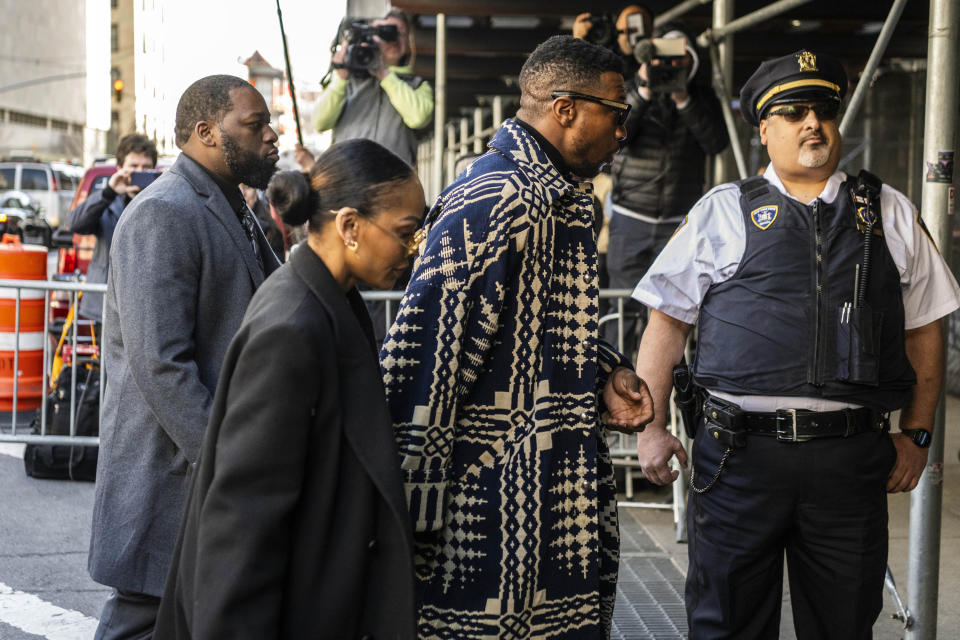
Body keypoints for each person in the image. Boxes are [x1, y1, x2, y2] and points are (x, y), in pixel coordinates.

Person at [631, 50, 960, 639]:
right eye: (793, 112)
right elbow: (667, 324)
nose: (813, 123)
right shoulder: (722, 211)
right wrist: (651, 427)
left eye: (824, 110)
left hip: (848, 465)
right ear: (764, 130)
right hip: (737, 462)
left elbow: (924, 329)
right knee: (725, 623)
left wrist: (918, 433)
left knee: (843, 625)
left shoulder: (889, 211)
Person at [380, 35, 654, 638]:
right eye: (616, 112)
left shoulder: (559, 197)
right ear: (566, 109)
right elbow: (424, 357)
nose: (622, 131)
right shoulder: (499, 199)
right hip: (490, 516)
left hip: (554, 504)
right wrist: (408, 512)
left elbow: (533, 325)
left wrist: (604, 371)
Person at [153, 139, 424, 640]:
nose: (413, 251)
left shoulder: (330, 301)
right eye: (406, 233)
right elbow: (242, 518)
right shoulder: (293, 326)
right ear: (349, 226)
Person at [88, 75, 282, 640]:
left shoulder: (232, 205)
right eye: (254, 124)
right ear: (205, 133)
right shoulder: (163, 212)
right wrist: (228, 465)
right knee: (143, 617)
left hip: (207, 466)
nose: (271, 135)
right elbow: (162, 365)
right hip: (172, 471)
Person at [577, 6, 728, 359]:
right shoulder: (631, 87)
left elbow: (716, 142)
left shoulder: (700, 97)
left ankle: (672, 390)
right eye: (664, 60)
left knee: (674, 312)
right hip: (632, 218)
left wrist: (683, 97)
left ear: (692, 61)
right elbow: (617, 135)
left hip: (680, 222)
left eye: (679, 60)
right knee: (624, 310)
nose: (670, 68)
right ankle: (615, 378)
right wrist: (645, 86)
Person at [312, 8, 432, 167]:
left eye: (399, 33)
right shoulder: (346, 80)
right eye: (385, 32)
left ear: (408, 42)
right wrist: (340, 78)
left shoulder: (417, 85)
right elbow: (320, 122)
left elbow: (419, 118)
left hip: (393, 182)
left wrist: (385, 75)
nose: (394, 39)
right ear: (371, 37)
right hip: (347, 178)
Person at [66, 133, 158, 327]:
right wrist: (108, 192)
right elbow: (75, 223)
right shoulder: (107, 202)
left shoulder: (161, 203)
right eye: (133, 167)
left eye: (146, 168)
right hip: (108, 307)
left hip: (147, 308)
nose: (139, 172)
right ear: (120, 169)